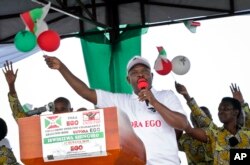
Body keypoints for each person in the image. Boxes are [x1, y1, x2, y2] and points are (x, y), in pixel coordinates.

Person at [44, 55, 188, 165]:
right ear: (128, 80)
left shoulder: (166, 96)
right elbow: (85, 92)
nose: (140, 74)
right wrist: (61, 68)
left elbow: (182, 124)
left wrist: (154, 101)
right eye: (134, 72)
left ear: (152, 76)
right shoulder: (120, 101)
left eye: (144, 71)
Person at [185, 97, 250, 165]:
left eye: (225, 109)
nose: (221, 112)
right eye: (219, 109)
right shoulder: (214, 133)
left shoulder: (247, 134)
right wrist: (187, 96)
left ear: (236, 112)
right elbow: (201, 119)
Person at [2, 61, 73, 122]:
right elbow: (21, 119)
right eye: (56, 110)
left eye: (63, 109)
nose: (59, 113)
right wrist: (11, 86)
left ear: (71, 110)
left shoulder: (81, 125)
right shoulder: (46, 129)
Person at [175, 82, 213, 164]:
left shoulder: (217, 132)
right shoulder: (183, 139)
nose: (200, 117)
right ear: (192, 121)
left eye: (206, 115)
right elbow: (167, 143)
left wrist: (186, 96)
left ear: (211, 118)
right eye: (195, 117)